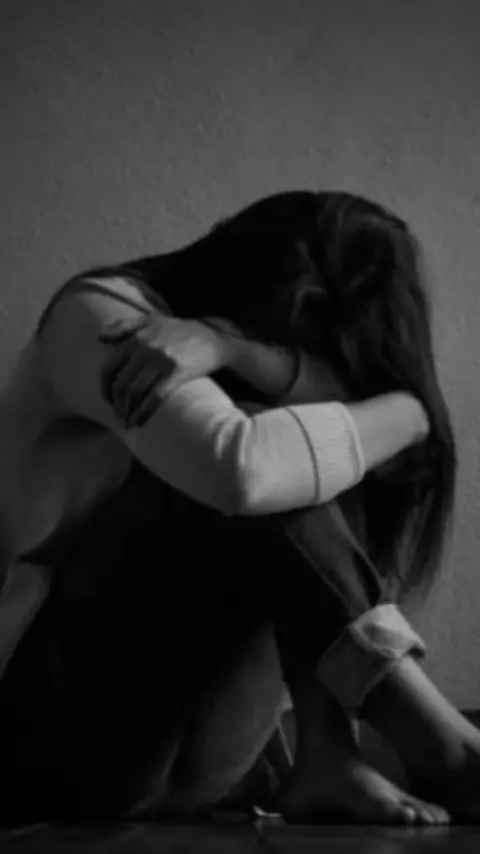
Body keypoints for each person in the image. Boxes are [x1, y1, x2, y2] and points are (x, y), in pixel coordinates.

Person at [0, 191, 478, 825]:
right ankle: (443, 746)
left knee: (321, 443)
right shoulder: (101, 315)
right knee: (265, 448)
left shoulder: (224, 340)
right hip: (49, 740)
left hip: (211, 759)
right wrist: (416, 414)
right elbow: (239, 471)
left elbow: (363, 445)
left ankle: (329, 757)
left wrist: (234, 348)